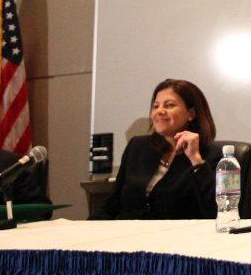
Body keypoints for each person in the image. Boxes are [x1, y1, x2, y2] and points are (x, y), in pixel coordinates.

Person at [93, 78, 222, 220]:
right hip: (128, 234)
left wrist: (196, 160)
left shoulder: (211, 156)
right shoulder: (137, 146)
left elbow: (216, 211)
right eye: (156, 106)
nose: (160, 111)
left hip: (177, 237)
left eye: (169, 105)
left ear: (191, 113)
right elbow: (113, 203)